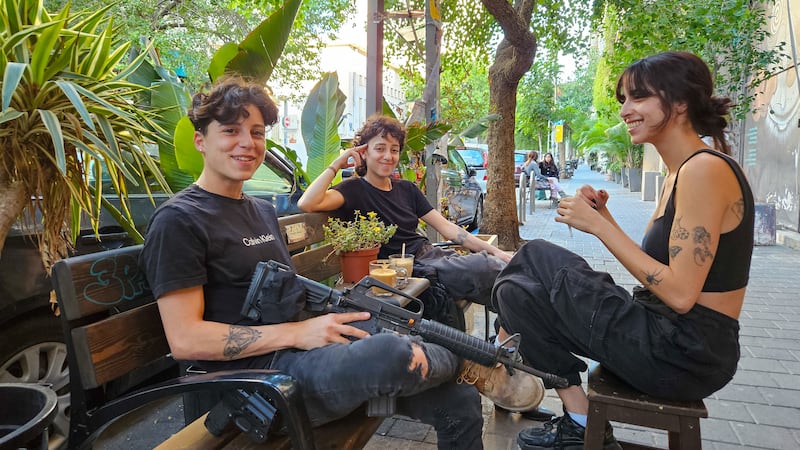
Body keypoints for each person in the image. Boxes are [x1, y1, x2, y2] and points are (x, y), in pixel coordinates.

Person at [139, 77, 542, 449]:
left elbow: (285, 292)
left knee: (458, 400)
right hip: (258, 385)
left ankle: (468, 368)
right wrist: (298, 332)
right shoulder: (180, 220)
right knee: (393, 356)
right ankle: (476, 363)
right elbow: (186, 340)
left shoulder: (259, 210)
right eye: (230, 131)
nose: (247, 142)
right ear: (200, 141)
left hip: (306, 351)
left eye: (257, 132)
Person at [494, 51, 754, 449]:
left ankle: (498, 342)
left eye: (639, 98)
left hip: (683, 352)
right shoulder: (678, 174)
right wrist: (607, 217)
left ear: (680, 103)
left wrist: (597, 227)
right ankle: (579, 420)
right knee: (516, 296)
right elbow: (661, 268)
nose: (626, 110)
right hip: (662, 337)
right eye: (623, 101)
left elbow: (682, 296)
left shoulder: (704, 169)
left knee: (538, 254)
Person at [297, 114, 546, 414]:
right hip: (404, 272)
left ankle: (502, 351)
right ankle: (498, 358)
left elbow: (451, 231)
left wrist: (499, 253)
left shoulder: (407, 190)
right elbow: (307, 204)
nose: (388, 156)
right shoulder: (352, 191)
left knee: (506, 277)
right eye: (379, 148)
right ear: (363, 151)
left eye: (394, 149)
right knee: (491, 274)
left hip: (432, 257)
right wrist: (338, 163)